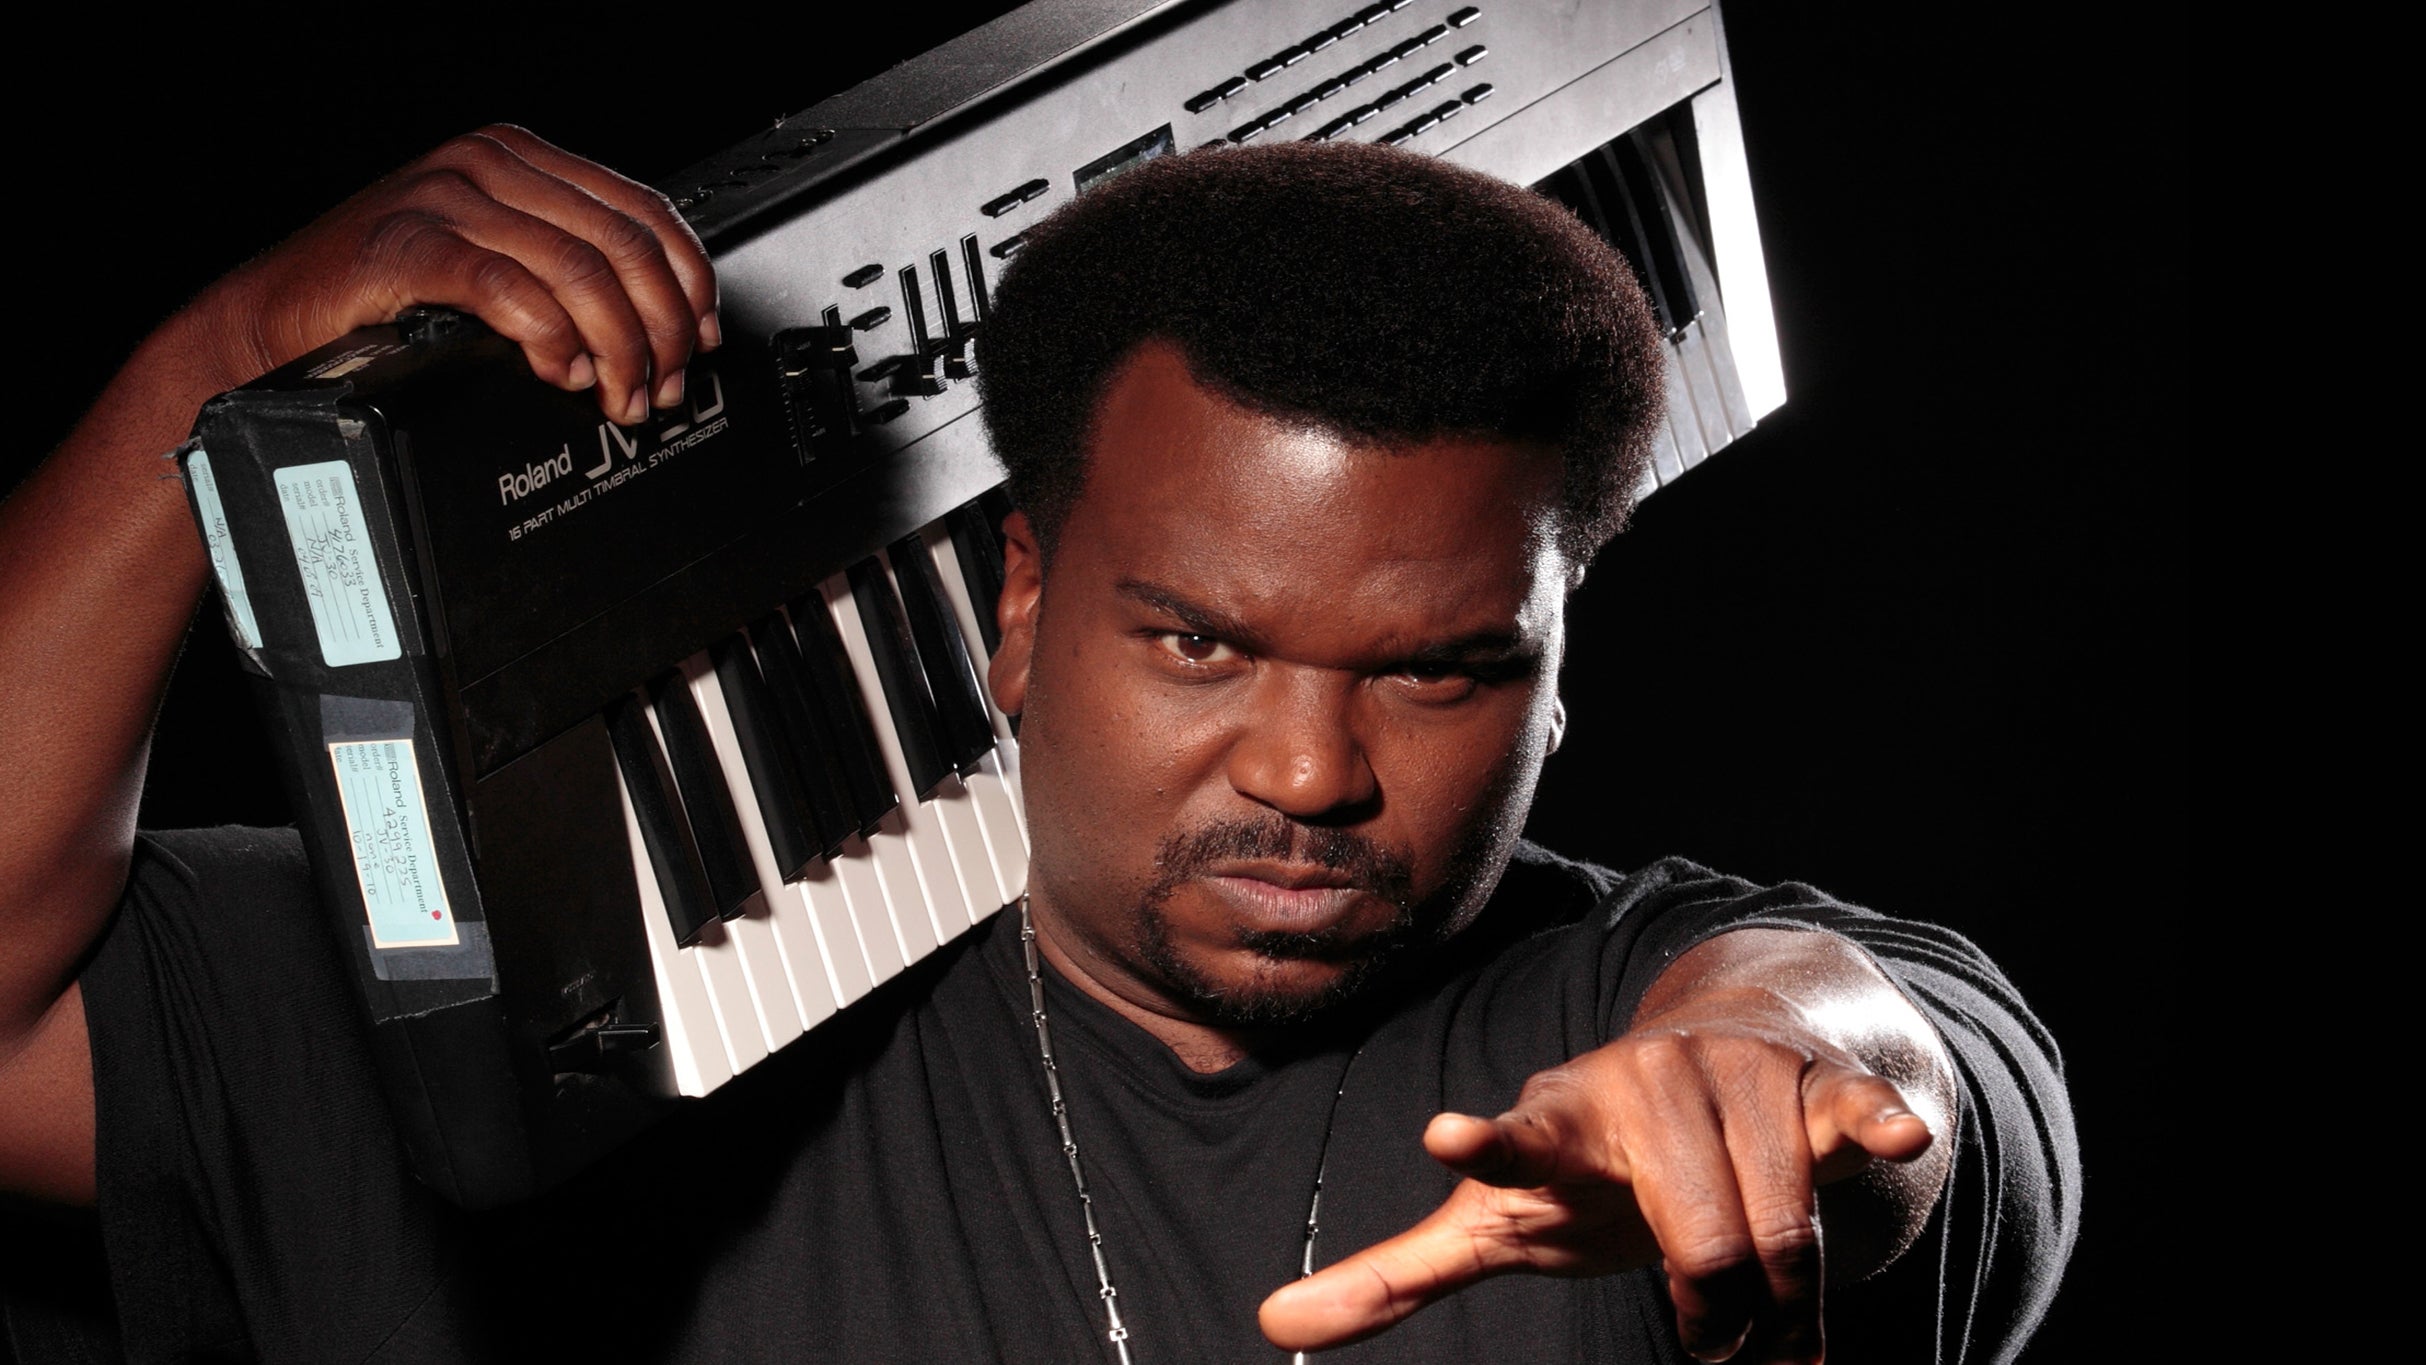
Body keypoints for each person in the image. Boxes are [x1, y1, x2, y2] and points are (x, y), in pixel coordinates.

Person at [0, 128, 2076, 1363]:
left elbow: (1885, 1059)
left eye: (1436, 670)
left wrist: (1770, 1077)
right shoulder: (612, 1023)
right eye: (1195, 639)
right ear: (1015, 602)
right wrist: (211, 368)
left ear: (1551, 661)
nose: (1304, 771)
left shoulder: (1623, 1013)